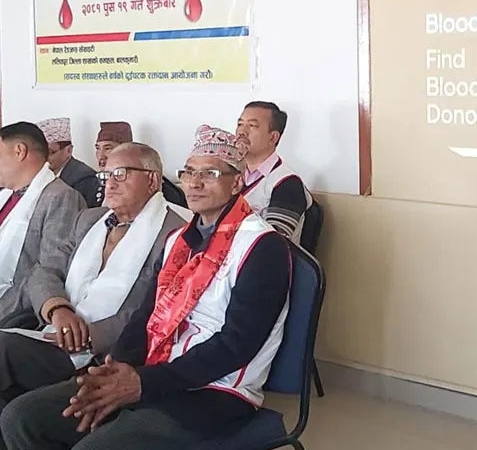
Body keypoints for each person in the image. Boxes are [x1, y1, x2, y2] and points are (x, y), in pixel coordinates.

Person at [0, 125, 291, 450]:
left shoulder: (262, 246)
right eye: (189, 172)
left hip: (216, 388)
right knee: (21, 417)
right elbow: (146, 315)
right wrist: (115, 368)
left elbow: (236, 346)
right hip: (153, 369)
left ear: (236, 182)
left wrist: (142, 381)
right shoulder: (179, 241)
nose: (195, 183)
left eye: (210, 174)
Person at [0, 142, 185, 408]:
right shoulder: (90, 220)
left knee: (3, 349)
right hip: (54, 330)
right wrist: (57, 308)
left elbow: (157, 309)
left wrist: (89, 335)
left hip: (104, 352)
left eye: (120, 173)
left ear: (152, 180)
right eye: (105, 175)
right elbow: (45, 270)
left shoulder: (175, 234)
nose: (110, 183)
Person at [0, 124, 87, 323]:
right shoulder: (6, 196)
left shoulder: (61, 198)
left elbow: (50, 269)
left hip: (16, 310)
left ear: (20, 151)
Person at [235, 101, 311, 244]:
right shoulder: (230, 174)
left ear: (273, 137)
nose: (241, 132)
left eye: (252, 125)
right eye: (240, 124)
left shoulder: (287, 183)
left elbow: (273, 242)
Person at [92, 124, 186, 210]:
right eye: (97, 149)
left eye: (108, 148)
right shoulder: (95, 184)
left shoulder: (168, 193)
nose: (101, 156)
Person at [37, 120, 95, 207]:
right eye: (41, 153)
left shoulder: (84, 177)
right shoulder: (41, 174)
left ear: (68, 150)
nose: (45, 158)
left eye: (50, 152)